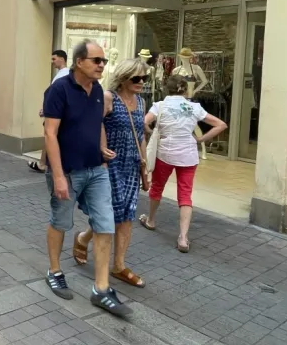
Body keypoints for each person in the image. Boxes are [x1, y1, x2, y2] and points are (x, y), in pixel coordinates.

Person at [42, 39, 131, 317]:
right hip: (67, 172)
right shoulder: (58, 90)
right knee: (61, 222)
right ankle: (54, 270)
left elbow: (97, 125)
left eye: (103, 61)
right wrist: (58, 176)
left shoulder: (98, 91)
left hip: (96, 170)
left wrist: (102, 150)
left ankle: (101, 289)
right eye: (96, 60)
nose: (101, 65)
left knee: (105, 224)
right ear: (79, 62)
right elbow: (50, 134)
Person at [73, 57, 151, 288]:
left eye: (144, 78)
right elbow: (92, 122)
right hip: (110, 165)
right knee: (111, 214)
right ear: (124, 77)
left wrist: (145, 162)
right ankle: (83, 238)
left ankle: (119, 265)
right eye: (136, 78)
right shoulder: (109, 98)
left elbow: (140, 134)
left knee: (127, 215)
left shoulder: (141, 102)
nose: (141, 82)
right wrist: (101, 146)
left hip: (131, 165)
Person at [139, 74, 228, 253]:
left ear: (166, 89)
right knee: (185, 194)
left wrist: (151, 131)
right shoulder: (195, 107)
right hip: (188, 154)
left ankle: (151, 220)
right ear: (185, 89)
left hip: (165, 152)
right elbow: (221, 125)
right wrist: (200, 139)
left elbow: (142, 122)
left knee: (157, 187)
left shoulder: (160, 106)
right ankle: (183, 237)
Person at [28, 49, 71, 172]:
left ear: (62, 59)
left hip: (56, 115)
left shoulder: (64, 74)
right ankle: (43, 164)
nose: (52, 62)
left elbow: (57, 96)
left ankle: (44, 164)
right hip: (55, 113)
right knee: (50, 137)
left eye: (54, 59)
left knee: (50, 136)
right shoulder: (62, 74)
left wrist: (47, 110)